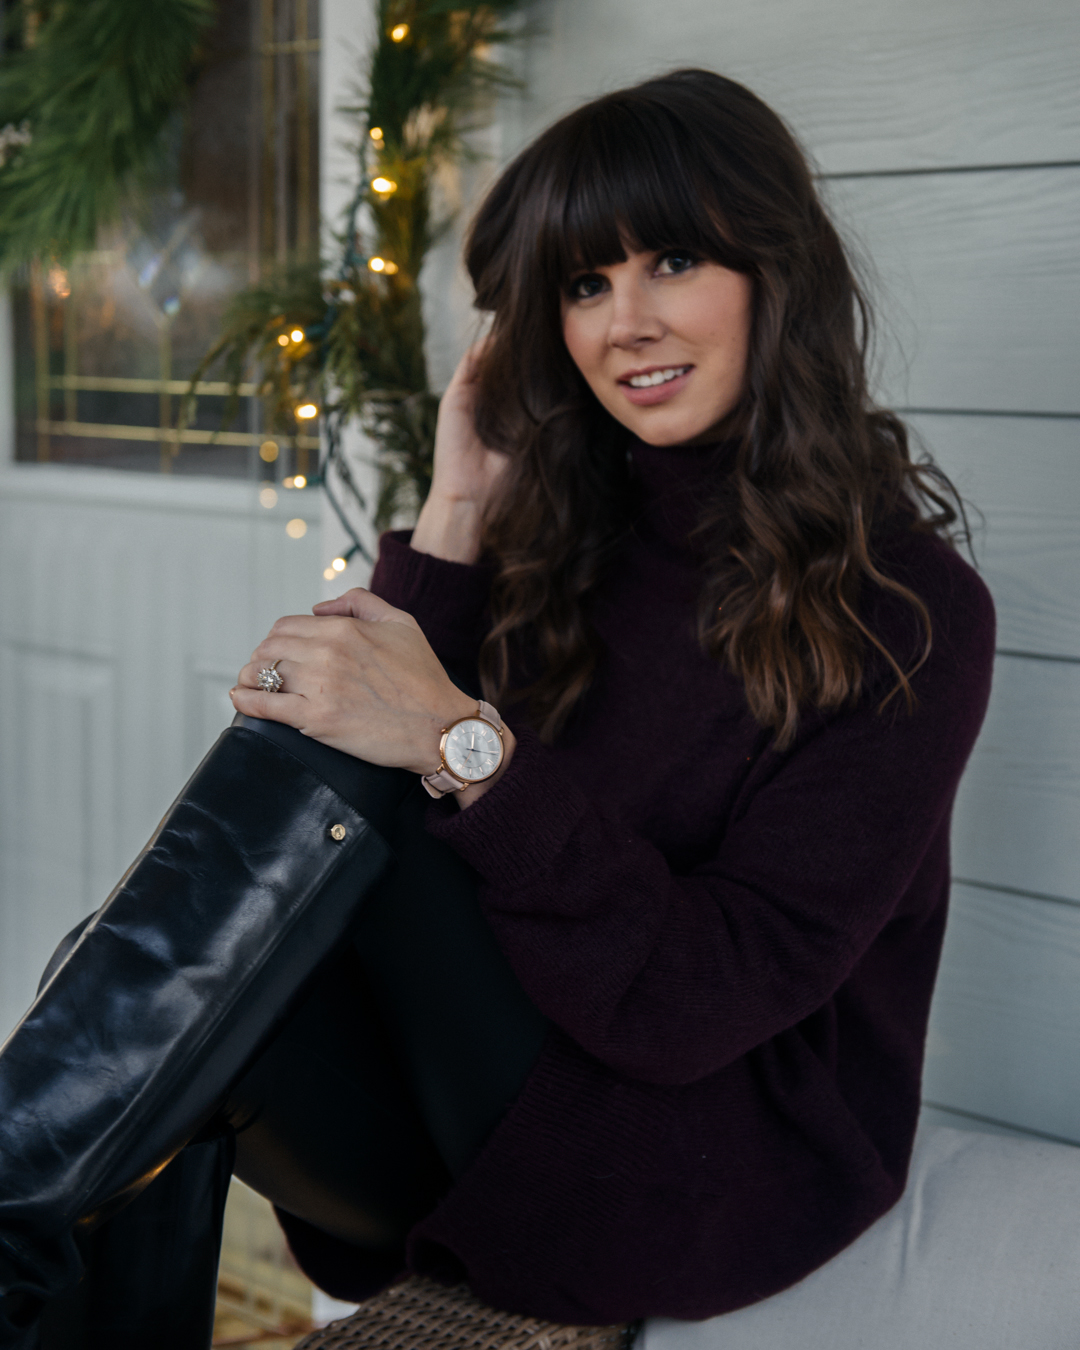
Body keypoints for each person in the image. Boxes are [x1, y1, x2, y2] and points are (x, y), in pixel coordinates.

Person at [0, 68, 994, 1348]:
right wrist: (458, 504)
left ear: (773, 276)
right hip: (491, 1110)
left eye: (673, 261)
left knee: (367, 847)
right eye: (584, 284)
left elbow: (702, 995)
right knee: (156, 1006)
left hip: (699, 1157)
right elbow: (346, 757)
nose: (624, 321)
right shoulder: (568, 533)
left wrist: (465, 750)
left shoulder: (908, 611)